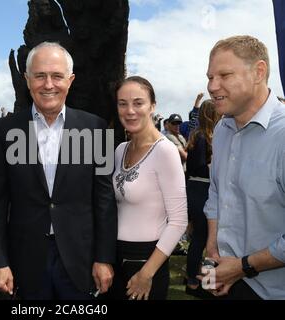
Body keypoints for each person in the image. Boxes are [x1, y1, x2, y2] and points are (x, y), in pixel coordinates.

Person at [0, 42, 117, 300]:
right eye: (40, 75)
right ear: (27, 79)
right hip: (25, 264)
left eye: (57, 76)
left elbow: (105, 200)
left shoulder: (96, 129)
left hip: (81, 262)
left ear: (71, 80)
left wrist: (104, 257)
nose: (48, 84)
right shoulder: (4, 132)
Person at [202, 35, 285, 299]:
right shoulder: (222, 129)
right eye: (210, 77)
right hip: (224, 278)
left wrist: (243, 266)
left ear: (259, 72)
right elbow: (216, 191)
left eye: (224, 75)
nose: (212, 87)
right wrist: (212, 247)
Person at [111, 76, 188, 300]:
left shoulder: (165, 151)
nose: (130, 110)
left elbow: (178, 221)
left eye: (138, 102)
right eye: (122, 103)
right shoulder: (120, 150)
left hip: (147, 260)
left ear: (152, 106)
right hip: (117, 258)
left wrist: (147, 273)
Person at [184, 99, 221, 298]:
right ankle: (197, 282)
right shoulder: (201, 136)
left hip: (200, 189)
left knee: (204, 238)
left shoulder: (207, 135)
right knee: (205, 239)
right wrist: (212, 165)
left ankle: (199, 280)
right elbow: (196, 166)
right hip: (202, 189)